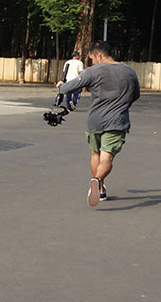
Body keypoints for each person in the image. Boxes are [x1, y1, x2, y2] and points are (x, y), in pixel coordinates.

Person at [55, 40, 140, 207]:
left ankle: (100, 189)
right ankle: (97, 180)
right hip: (117, 120)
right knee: (107, 157)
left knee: (95, 154)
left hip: (95, 120)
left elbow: (69, 88)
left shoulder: (93, 71)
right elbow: (135, 95)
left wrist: (61, 86)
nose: (92, 62)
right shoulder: (129, 71)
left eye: (92, 59)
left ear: (99, 55)